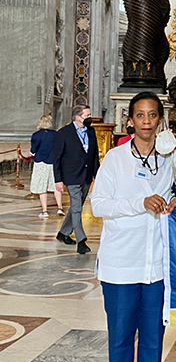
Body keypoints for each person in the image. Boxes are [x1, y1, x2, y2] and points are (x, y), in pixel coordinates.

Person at [90, 92, 176, 362]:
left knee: (153, 339)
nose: (146, 121)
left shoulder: (170, 157)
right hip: (121, 263)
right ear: (130, 120)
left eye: (152, 115)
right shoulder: (115, 158)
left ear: (160, 119)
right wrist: (141, 203)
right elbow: (98, 205)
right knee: (121, 339)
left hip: (156, 265)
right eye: (140, 115)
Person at [53, 104, 99, 254]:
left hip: (86, 175)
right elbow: (57, 158)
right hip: (71, 175)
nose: (89, 118)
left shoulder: (91, 132)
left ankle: (63, 233)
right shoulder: (64, 133)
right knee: (77, 207)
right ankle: (81, 240)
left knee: (75, 207)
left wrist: (97, 175)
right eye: (87, 115)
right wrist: (58, 180)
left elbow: (94, 155)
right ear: (78, 117)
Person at [30, 114, 65, 219]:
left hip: (41, 162)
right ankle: (60, 208)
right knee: (56, 186)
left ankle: (45, 211)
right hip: (53, 163)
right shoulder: (55, 134)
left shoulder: (36, 135)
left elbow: (33, 150)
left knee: (42, 187)